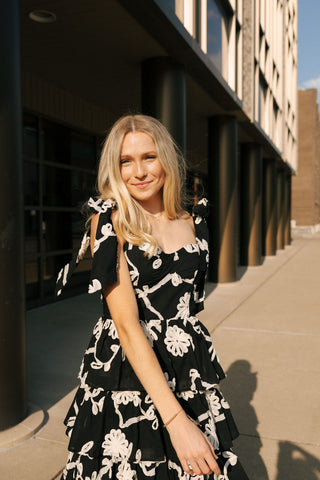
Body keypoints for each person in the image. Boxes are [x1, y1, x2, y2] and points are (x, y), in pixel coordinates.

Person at [56, 114, 249, 480]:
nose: (139, 172)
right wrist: (176, 420)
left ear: (167, 159)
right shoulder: (111, 222)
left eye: (149, 157)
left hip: (186, 368)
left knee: (201, 466)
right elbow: (126, 325)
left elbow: (188, 304)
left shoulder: (194, 219)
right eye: (125, 161)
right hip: (126, 373)